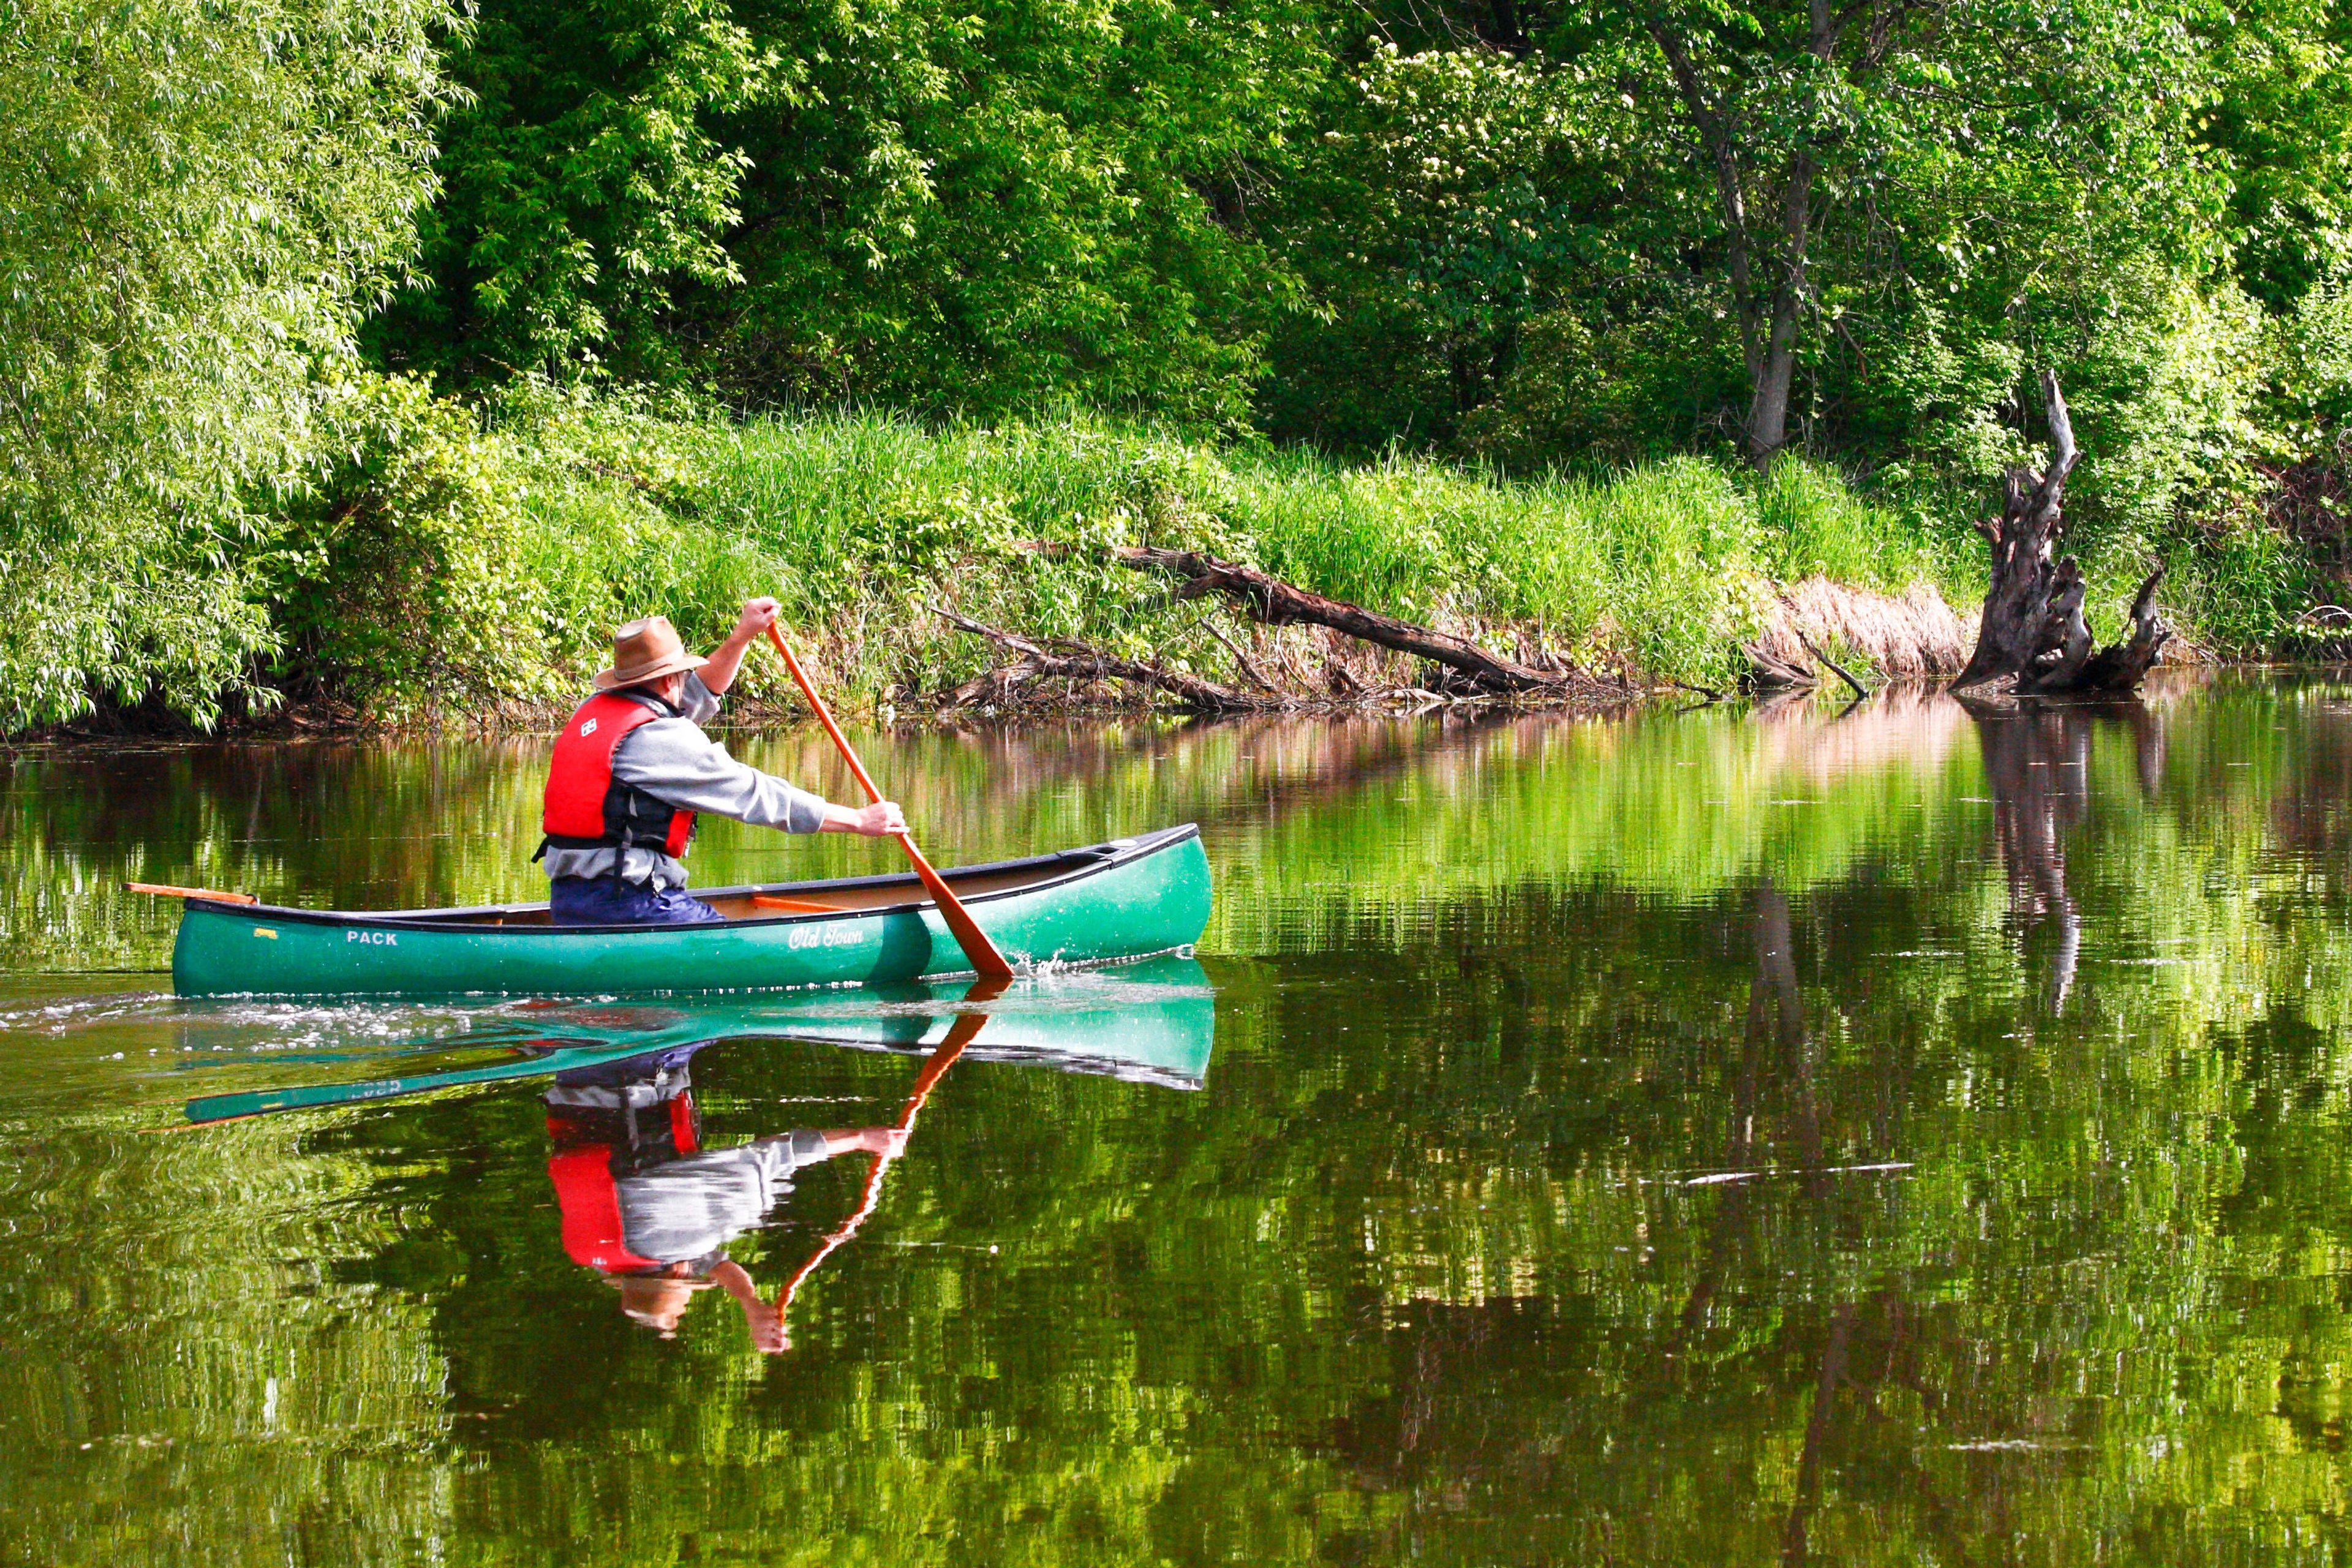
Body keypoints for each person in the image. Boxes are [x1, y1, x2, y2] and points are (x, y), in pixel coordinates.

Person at [539, 598, 905, 925]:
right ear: (669, 681)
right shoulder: (658, 739)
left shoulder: (595, 712)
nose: (687, 683)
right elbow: (754, 794)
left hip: (570, 901)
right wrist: (858, 820)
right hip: (633, 902)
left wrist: (742, 636)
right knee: (734, 944)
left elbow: (695, 694)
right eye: (682, 675)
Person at [543, 1041, 903, 1351]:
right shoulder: (603, 1250)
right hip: (571, 1069)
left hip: (637, 1065)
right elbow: (710, 1262)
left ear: (681, 1272)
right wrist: (750, 1303)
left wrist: (860, 1139)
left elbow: (770, 1158)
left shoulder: (676, 1239)